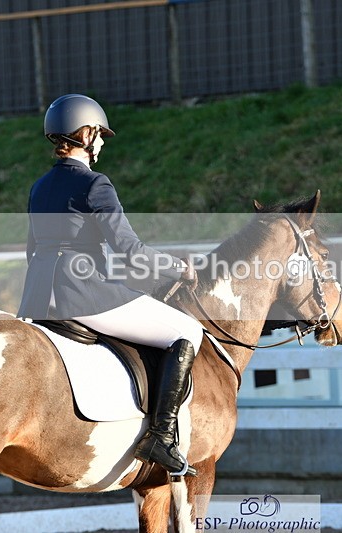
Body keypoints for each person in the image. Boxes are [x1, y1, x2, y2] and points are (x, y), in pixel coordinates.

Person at [17, 94, 203, 477]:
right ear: (84, 133)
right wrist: (177, 269)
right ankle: (162, 436)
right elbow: (130, 251)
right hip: (83, 293)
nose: (101, 142)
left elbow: (32, 249)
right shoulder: (95, 184)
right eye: (99, 134)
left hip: (37, 297)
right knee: (187, 330)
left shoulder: (39, 186)